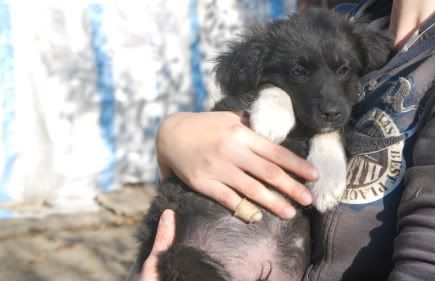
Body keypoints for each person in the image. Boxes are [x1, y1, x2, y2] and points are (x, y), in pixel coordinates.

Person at [135, 0, 435, 280]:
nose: (331, 101)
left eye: (343, 70)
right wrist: (174, 133)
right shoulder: (352, 21)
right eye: (299, 72)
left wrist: (328, 137)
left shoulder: (364, 42)